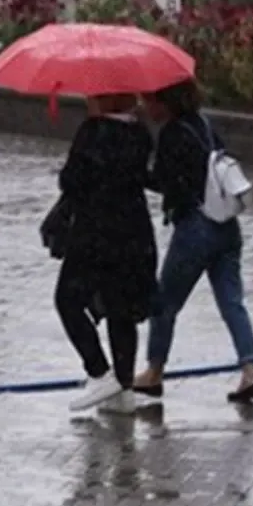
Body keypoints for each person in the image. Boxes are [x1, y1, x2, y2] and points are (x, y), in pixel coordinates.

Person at [132, 79, 253, 402]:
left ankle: (154, 372)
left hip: (195, 229)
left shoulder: (172, 135)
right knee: (232, 301)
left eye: (149, 100)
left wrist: (136, 173)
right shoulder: (204, 126)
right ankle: (250, 372)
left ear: (165, 102)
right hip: (227, 228)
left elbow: (166, 183)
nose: (146, 107)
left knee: (164, 303)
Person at [56, 93, 160, 414]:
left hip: (95, 234)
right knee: (121, 308)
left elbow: (71, 182)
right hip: (133, 232)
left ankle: (99, 371)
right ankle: (124, 387)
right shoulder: (140, 132)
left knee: (68, 299)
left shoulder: (93, 131)